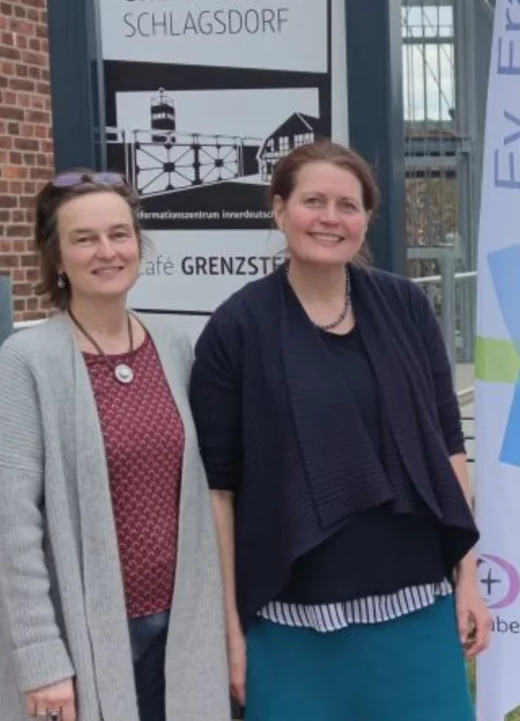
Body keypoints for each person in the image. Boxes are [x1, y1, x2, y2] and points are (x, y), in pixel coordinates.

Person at [190, 141, 489, 721]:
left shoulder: (406, 308)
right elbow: (218, 494)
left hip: (417, 615)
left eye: (348, 205)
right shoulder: (237, 328)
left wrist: (469, 578)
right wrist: (230, 631)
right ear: (280, 210)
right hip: (290, 628)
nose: (330, 218)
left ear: (366, 219)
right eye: (313, 201)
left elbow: (450, 447)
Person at [0, 170, 228, 721]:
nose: (107, 251)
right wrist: (41, 660)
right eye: (84, 238)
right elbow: (6, 531)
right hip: (83, 641)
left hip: (180, 632)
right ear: (57, 258)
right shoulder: (27, 362)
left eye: (119, 234)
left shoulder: (173, 348)